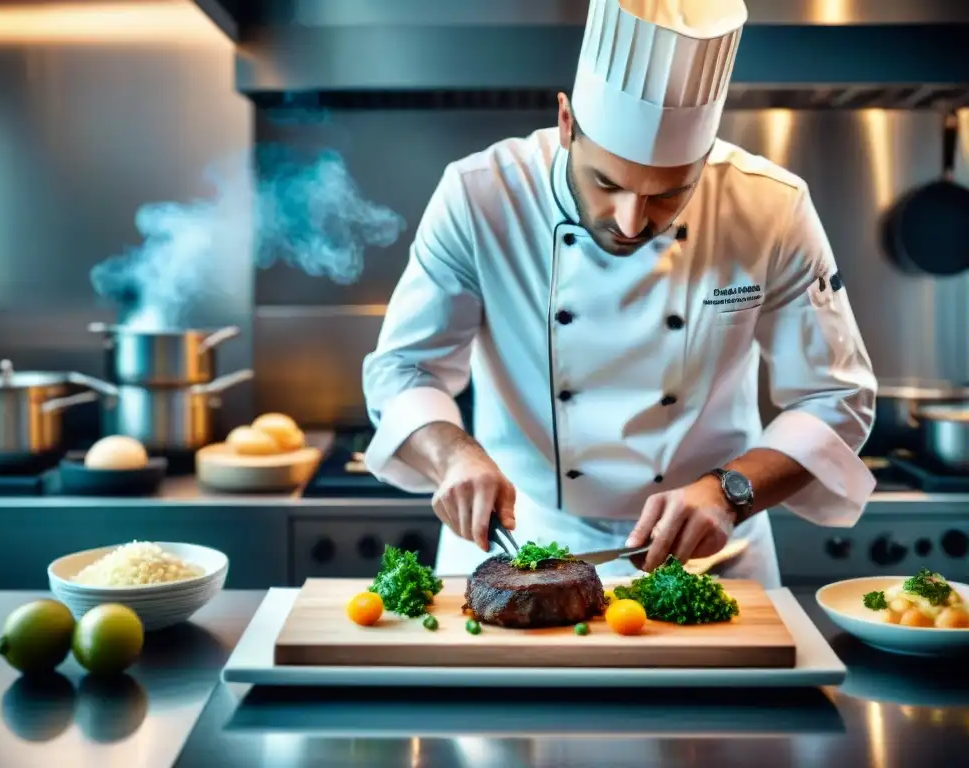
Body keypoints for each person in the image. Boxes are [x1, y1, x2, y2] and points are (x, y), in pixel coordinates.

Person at [361, 0, 877, 588]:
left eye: (668, 195)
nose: (632, 222)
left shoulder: (771, 209)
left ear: (705, 158)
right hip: (515, 553)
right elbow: (403, 370)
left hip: (709, 560)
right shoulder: (480, 196)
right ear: (566, 123)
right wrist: (451, 455)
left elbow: (837, 397)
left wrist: (731, 492)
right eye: (606, 183)